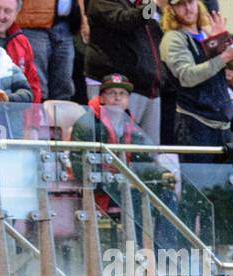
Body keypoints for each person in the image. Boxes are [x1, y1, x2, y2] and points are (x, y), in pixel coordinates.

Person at [161, 0, 233, 245]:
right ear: (172, 9)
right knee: (194, 195)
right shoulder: (173, 39)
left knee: (218, 194)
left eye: (191, 2)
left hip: (219, 123)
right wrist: (222, 57)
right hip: (194, 123)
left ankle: (215, 255)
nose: (188, 7)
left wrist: (223, 38)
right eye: (181, 3)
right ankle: (188, 255)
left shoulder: (204, 32)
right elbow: (187, 76)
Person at [70, 72, 177, 247]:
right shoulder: (87, 123)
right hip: (102, 187)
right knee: (138, 197)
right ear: (102, 98)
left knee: (167, 193)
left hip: (126, 184)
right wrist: (115, 180)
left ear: (128, 99)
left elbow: (145, 160)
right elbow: (79, 165)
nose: (117, 98)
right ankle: (138, 253)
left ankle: (165, 253)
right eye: (112, 93)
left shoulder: (131, 125)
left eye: (122, 94)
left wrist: (162, 173)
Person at [84, 0, 168, 142]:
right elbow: (125, 21)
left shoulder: (138, 2)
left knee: (149, 150)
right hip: (119, 87)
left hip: (148, 86)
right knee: (119, 143)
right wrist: (153, 4)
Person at [1, 0, 94, 102]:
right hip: (34, 26)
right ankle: (36, 121)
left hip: (65, 26)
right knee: (37, 84)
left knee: (63, 86)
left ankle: (59, 122)